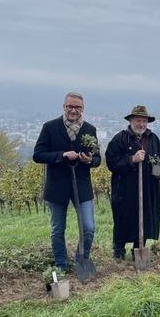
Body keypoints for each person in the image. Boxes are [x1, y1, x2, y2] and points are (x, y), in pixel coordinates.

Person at [33, 92, 102, 272]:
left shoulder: (89, 130)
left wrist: (89, 160)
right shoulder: (50, 127)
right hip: (57, 187)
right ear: (64, 107)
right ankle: (61, 264)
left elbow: (98, 159)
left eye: (77, 107)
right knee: (57, 229)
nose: (73, 110)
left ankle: (82, 259)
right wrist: (62, 155)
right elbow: (38, 155)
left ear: (82, 109)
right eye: (70, 106)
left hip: (82, 185)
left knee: (88, 227)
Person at [105, 105, 160, 260]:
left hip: (148, 190)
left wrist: (158, 171)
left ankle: (138, 250)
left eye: (144, 121)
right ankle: (119, 252)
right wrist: (131, 159)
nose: (141, 124)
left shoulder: (153, 139)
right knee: (123, 220)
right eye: (138, 120)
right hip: (124, 191)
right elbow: (111, 162)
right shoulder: (120, 139)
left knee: (145, 219)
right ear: (131, 121)